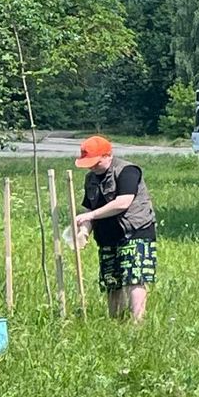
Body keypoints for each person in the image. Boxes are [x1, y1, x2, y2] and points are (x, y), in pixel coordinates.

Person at [73, 136, 157, 323]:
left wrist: (91, 216)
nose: (91, 167)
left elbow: (123, 202)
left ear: (107, 155)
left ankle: (137, 323)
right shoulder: (91, 179)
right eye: (88, 163)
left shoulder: (127, 171)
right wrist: (84, 232)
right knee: (111, 280)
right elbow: (89, 209)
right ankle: (115, 320)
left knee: (134, 276)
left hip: (134, 231)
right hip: (107, 237)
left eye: (95, 162)